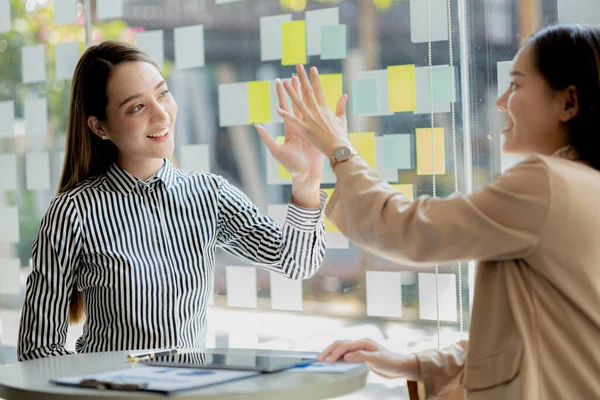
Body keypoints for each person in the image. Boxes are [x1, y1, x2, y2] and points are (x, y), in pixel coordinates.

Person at [257, 24, 600, 399]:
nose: (502, 101)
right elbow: (536, 336)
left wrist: (339, 150)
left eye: (516, 85)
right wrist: (412, 365)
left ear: (569, 102)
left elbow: (409, 230)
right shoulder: (586, 184)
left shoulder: (546, 184)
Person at [18, 41, 328, 361]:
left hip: (192, 389)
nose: (161, 113)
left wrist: (306, 181)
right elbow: (39, 350)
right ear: (100, 127)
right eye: (136, 107)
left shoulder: (210, 195)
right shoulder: (73, 213)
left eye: (163, 93)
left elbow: (296, 262)